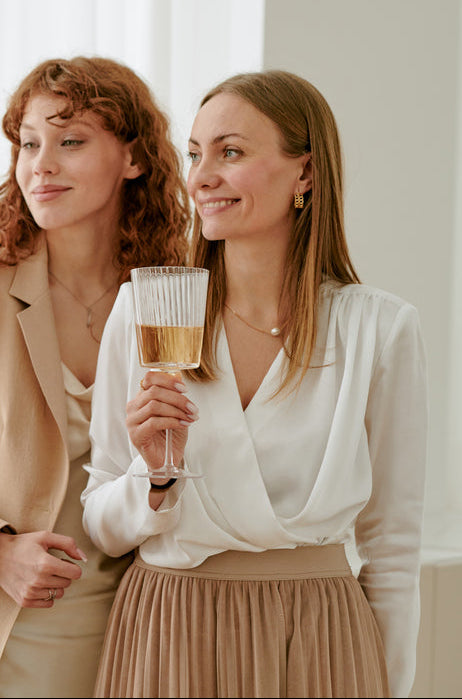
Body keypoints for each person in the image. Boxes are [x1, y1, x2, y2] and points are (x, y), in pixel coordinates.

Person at [81, 69, 427, 697]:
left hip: (321, 642)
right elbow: (102, 523)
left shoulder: (379, 329)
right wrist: (154, 478)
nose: (201, 176)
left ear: (307, 173)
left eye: (230, 152)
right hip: (171, 635)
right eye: (194, 154)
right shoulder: (146, 311)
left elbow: (393, 547)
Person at [0, 57, 189, 697]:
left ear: (134, 158)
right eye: (29, 144)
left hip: (138, 625)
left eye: (70, 142)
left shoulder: (175, 299)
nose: (42, 164)